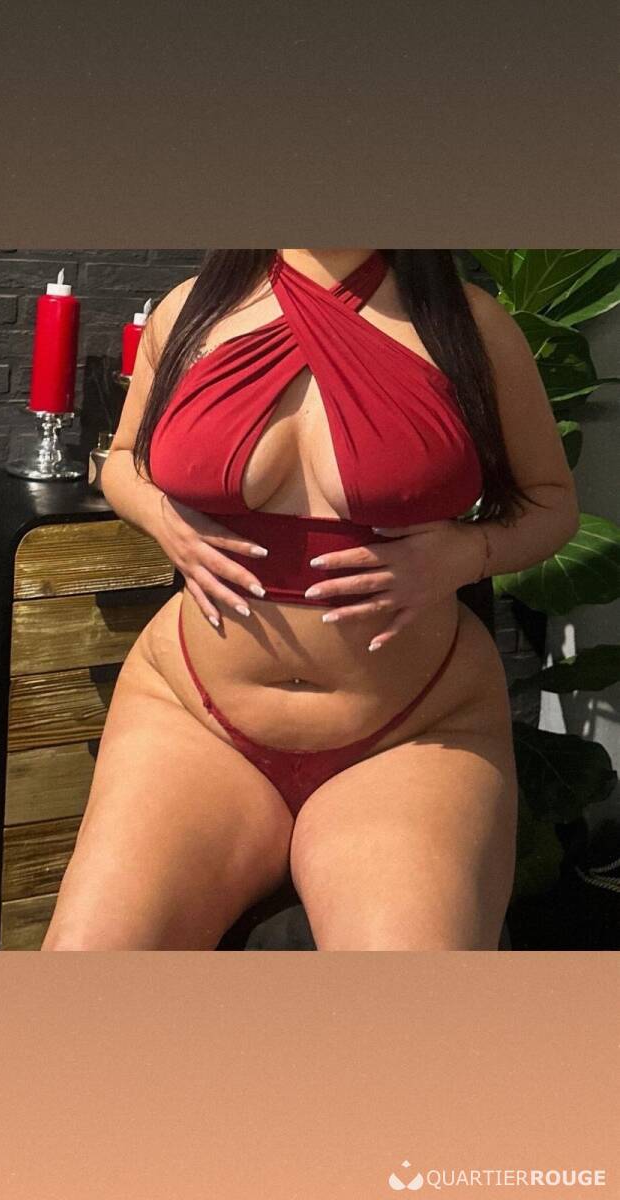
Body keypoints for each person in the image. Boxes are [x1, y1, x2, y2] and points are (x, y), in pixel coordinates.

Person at [41, 248, 579, 952]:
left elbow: (551, 504)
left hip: (416, 731)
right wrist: (162, 517)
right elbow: (122, 460)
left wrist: (464, 554)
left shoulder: (467, 326)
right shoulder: (190, 310)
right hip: (190, 716)